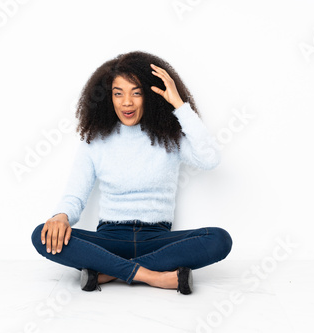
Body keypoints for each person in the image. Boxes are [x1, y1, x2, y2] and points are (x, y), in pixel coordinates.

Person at [31, 51, 232, 294]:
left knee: (220, 239)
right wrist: (61, 216)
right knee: (40, 235)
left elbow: (210, 159)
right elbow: (75, 195)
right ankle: (153, 277)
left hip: (157, 240)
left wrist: (179, 104)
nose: (127, 102)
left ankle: (107, 273)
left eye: (136, 92)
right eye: (118, 93)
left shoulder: (170, 137)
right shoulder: (95, 141)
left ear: (150, 94)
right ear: (109, 97)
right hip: (109, 240)